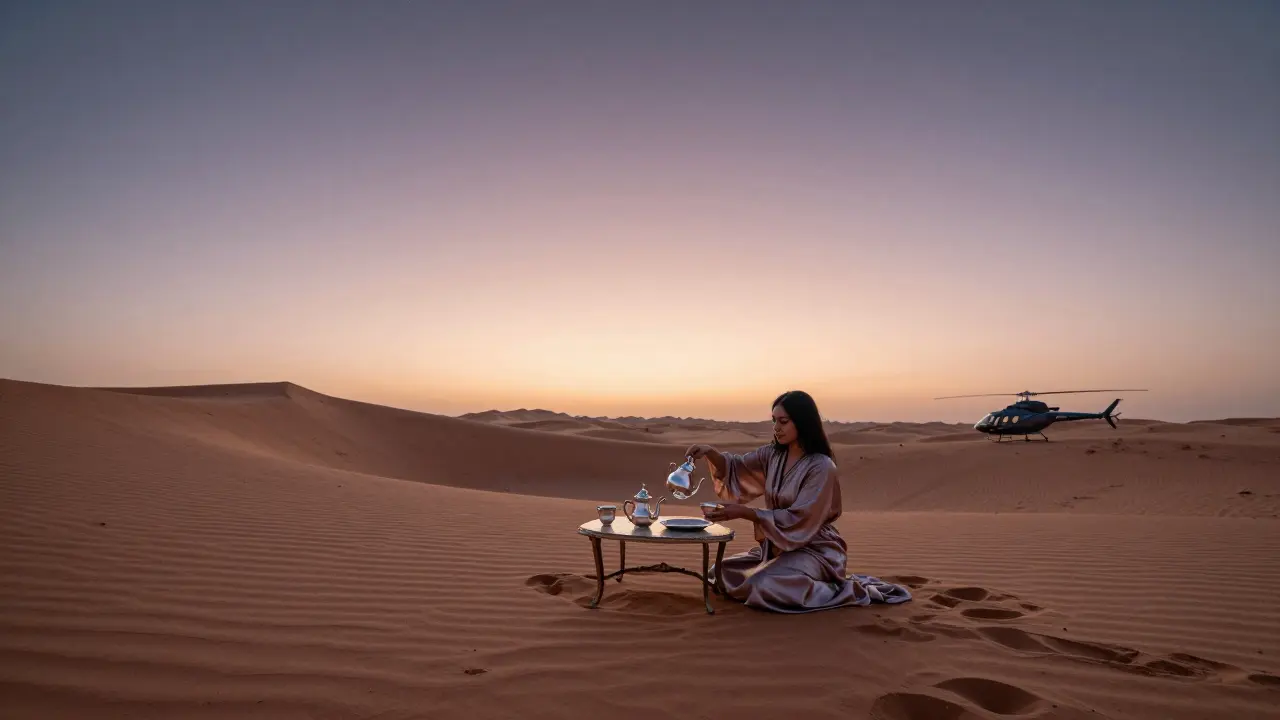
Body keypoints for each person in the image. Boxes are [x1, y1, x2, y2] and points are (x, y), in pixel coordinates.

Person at [688, 390, 911, 613]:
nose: (776, 427)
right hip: (778, 546)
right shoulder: (773, 454)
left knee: (763, 585)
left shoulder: (821, 466)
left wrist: (746, 513)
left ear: (802, 422)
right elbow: (737, 467)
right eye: (774, 421)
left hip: (814, 548)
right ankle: (780, 574)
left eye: (783, 421)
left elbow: (801, 517)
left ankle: (838, 590)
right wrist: (711, 453)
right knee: (718, 573)